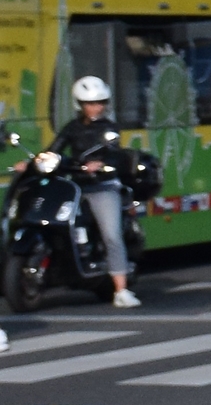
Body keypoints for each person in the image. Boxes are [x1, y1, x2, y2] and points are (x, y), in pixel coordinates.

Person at [41, 76, 142, 307]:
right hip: (74, 186)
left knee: (111, 235)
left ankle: (121, 290)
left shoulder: (109, 128)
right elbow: (55, 149)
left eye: (101, 102)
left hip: (102, 186)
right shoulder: (72, 127)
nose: (96, 107)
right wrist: (35, 162)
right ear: (80, 104)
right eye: (90, 103)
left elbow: (114, 152)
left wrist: (99, 163)